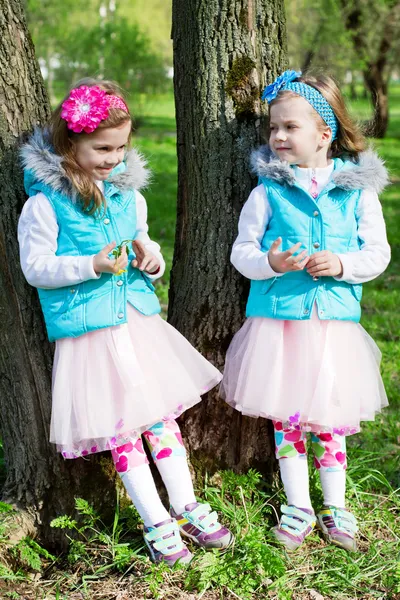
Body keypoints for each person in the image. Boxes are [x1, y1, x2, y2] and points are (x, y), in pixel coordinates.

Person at [18, 78, 233, 565]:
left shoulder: (127, 197)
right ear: (70, 143)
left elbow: (145, 241)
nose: (114, 157)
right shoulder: (44, 204)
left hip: (136, 326)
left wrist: (150, 258)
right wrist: (89, 264)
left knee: (160, 420)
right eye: (102, 147)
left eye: (121, 147)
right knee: (122, 431)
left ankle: (186, 505)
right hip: (90, 337)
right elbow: (37, 268)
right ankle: (156, 523)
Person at [221, 70, 390, 552]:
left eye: (290, 128)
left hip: (333, 325)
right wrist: (270, 263)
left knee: (330, 416)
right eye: (273, 127)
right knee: (288, 416)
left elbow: (376, 253)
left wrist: (341, 263)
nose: (277, 136)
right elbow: (242, 250)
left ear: (325, 132)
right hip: (279, 325)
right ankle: (298, 505)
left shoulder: (355, 190)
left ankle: (335, 506)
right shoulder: (267, 192)